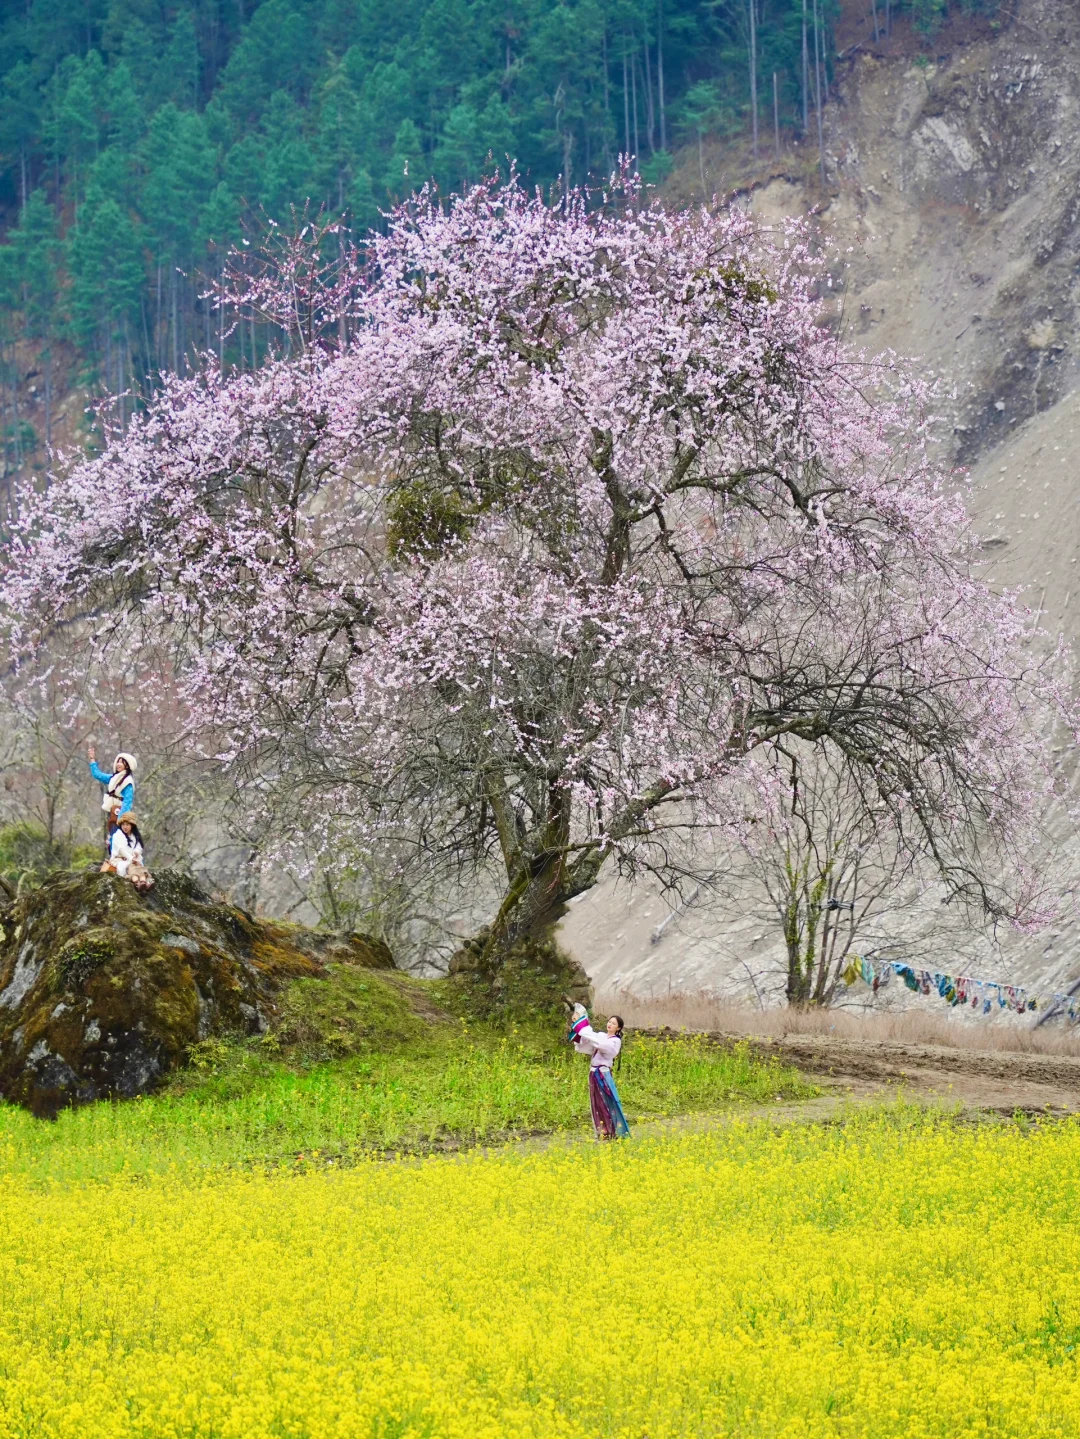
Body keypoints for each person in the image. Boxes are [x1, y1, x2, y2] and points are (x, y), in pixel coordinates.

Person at [568, 1003, 630, 1141]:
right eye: (609, 1022)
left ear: (618, 1028)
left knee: (606, 1102)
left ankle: (614, 1131)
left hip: (602, 1074)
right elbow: (587, 1041)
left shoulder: (615, 1041)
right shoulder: (601, 1035)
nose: (610, 1024)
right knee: (596, 1103)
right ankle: (603, 1131)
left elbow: (602, 1046)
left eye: (613, 1023)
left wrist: (584, 1028)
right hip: (593, 1073)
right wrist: (579, 1025)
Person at [87, 745, 136, 851]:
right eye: (118, 761)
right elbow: (97, 775)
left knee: (118, 839)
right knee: (113, 839)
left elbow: (127, 801)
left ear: (127, 765)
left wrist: (121, 820)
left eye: (122, 762)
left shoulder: (128, 782)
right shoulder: (114, 778)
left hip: (120, 815)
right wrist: (92, 759)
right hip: (113, 813)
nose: (118, 764)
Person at [101, 811, 154, 890]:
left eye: (127, 825)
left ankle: (144, 882)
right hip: (120, 860)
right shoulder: (117, 835)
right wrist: (131, 858)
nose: (125, 827)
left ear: (132, 825)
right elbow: (121, 850)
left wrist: (136, 853)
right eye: (123, 824)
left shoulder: (135, 836)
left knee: (139, 867)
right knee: (130, 868)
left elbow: (138, 847)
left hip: (133, 859)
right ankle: (138, 883)